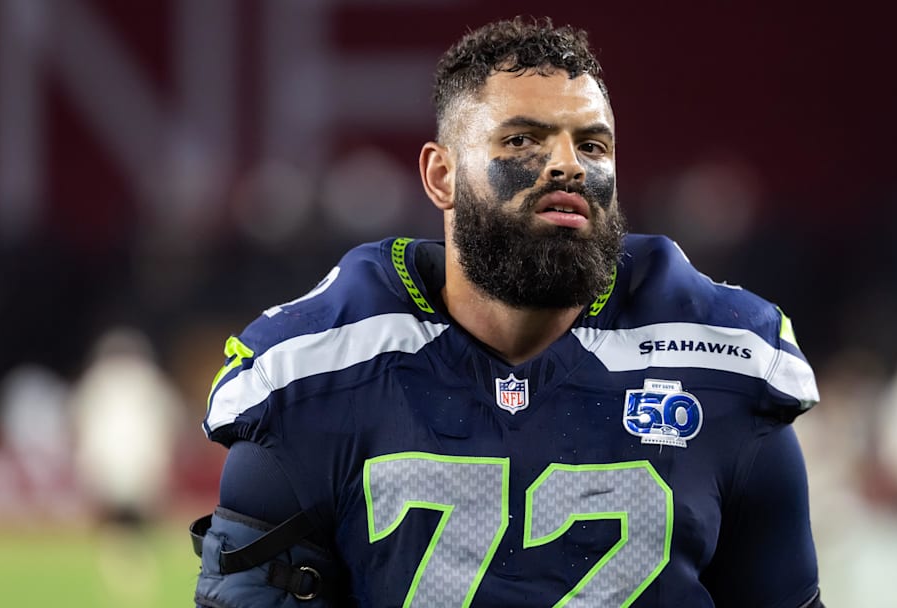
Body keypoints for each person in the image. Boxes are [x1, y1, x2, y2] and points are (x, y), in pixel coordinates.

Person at [193, 17, 824, 607]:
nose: (568, 166)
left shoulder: (724, 361)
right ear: (441, 175)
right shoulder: (316, 371)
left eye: (593, 145)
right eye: (523, 139)